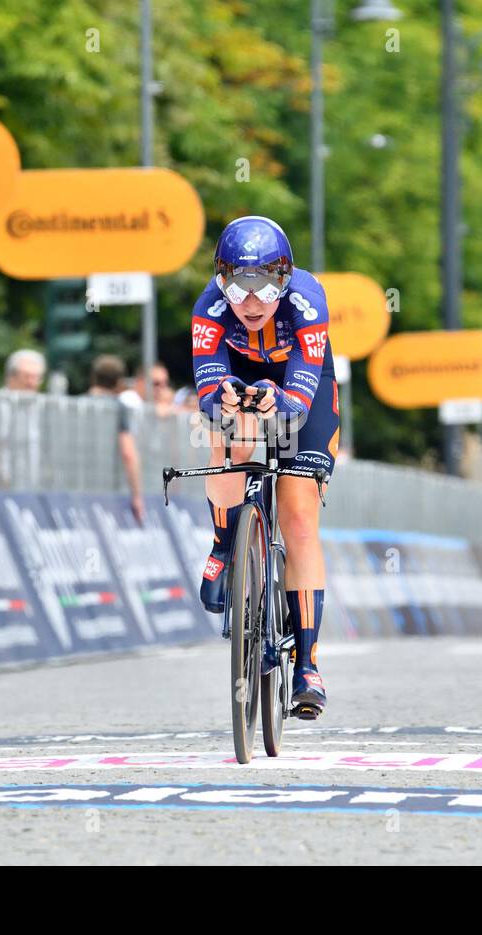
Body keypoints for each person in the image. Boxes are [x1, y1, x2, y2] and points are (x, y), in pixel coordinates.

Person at [191, 215, 340, 717]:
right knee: (227, 441)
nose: (250, 302)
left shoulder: (306, 300)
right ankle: (224, 543)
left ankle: (307, 661)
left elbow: (299, 402)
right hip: (242, 375)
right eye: (236, 286)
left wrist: (281, 400)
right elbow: (207, 393)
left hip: (302, 381)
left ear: (284, 279)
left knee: (298, 516)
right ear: (220, 282)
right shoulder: (209, 310)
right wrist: (222, 404)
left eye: (264, 286)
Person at [89, 354, 144, 525]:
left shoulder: (78, 404)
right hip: (108, 487)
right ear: (120, 381)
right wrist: (136, 495)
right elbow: (128, 453)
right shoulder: (118, 408)